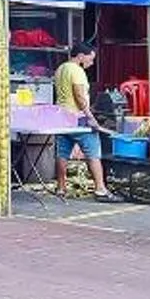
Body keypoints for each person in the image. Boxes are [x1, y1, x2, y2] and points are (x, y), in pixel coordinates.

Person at [52, 44, 111, 198]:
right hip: (77, 118)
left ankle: (61, 187)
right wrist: (89, 116)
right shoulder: (77, 71)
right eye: (90, 59)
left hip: (61, 117)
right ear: (80, 56)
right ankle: (100, 188)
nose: (91, 63)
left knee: (62, 153)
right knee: (93, 151)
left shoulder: (60, 69)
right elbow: (79, 96)